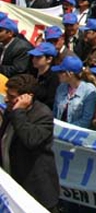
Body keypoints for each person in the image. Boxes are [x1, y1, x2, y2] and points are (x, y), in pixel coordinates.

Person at [0, 74, 61, 212]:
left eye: (11, 96)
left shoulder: (42, 115)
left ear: (27, 97)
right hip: (12, 186)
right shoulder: (11, 111)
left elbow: (30, 140)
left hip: (35, 190)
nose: (6, 99)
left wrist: (19, 112)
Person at [52, 55, 96, 128]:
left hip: (78, 135)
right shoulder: (61, 88)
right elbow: (54, 113)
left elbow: (86, 121)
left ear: (70, 73)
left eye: (61, 72)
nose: (58, 74)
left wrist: (65, 128)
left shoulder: (89, 91)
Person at [29, 42, 60, 110]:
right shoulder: (32, 71)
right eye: (33, 56)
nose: (34, 59)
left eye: (38, 57)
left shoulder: (54, 78)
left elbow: (50, 102)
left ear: (49, 59)